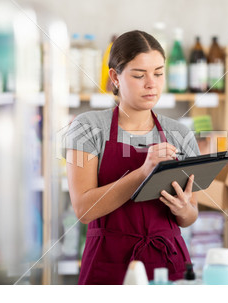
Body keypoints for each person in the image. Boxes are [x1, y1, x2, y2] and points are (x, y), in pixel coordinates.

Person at [64, 30, 200, 285]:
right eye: (139, 75)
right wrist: (143, 172)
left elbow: (192, 214)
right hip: (110, 263)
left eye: (158, 73)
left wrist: (184, 210)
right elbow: (83, 209)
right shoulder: (87, 127)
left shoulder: (179, 134)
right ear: (115, 77)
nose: (152, 84)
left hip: (168, 262)